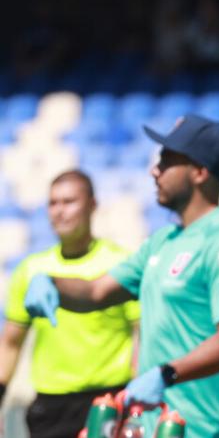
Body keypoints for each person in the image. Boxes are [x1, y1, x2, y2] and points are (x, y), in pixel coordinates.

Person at [23, 115, 219, 438]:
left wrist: (166, 375)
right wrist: (51, 283)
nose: (154, 170)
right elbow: (96, 292)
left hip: (206, 430)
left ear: (200, 172)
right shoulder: (161, 243)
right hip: (152, 429)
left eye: (166, 161)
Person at [0, 170, 139, 438]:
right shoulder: (30, 269)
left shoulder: (120, 265)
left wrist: (138, 399)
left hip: (107, 402)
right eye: (53, 203)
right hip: (49, 406)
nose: (59, 211)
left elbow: (142, 335)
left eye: (69, 202)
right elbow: (10, 343)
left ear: (92, 205)